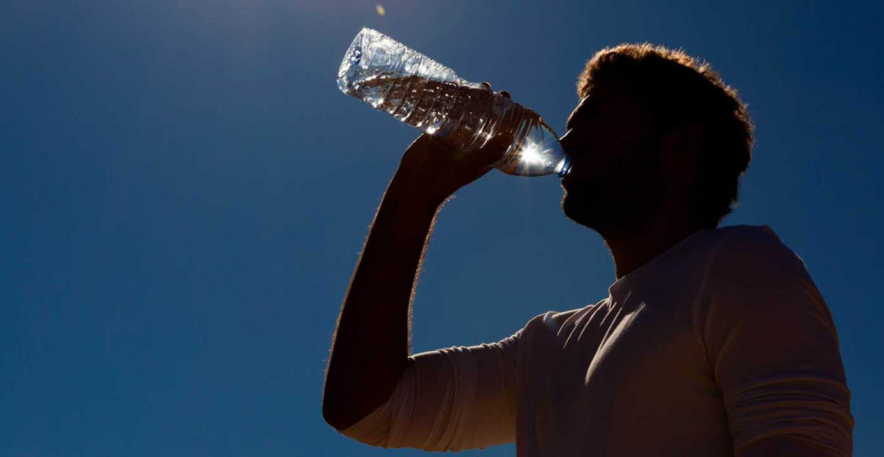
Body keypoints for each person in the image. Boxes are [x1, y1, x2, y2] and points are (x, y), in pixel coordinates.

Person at [322, 43, 853, 456]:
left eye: (594, 122)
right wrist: (415, 190)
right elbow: (366, 408)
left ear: (679, 147)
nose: (567, 143)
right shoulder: (547, 347)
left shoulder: (742, 267)